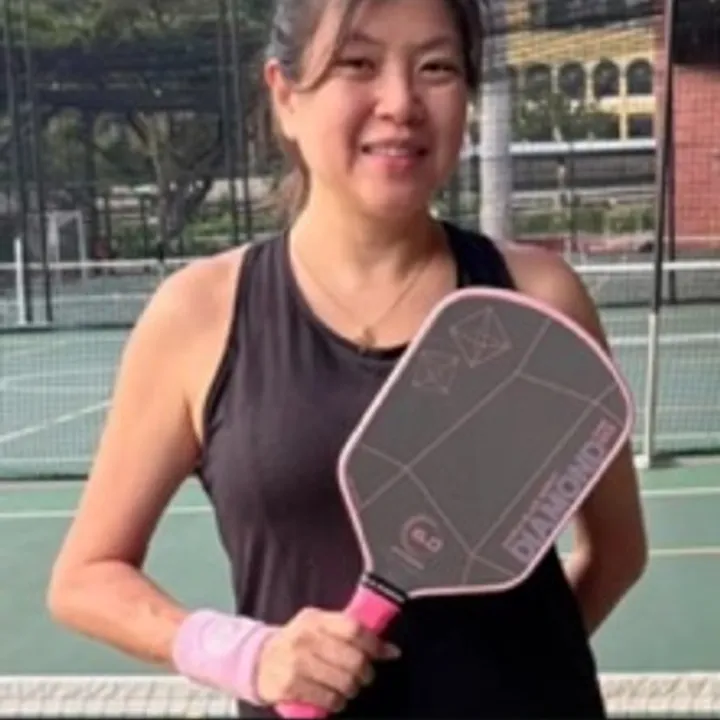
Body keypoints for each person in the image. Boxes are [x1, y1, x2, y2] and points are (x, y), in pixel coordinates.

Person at [46, 0, 648, 717]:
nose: (400, 102)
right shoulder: (197, 316)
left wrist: (511, 675)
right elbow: (86, 576)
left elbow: (618, 551)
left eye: (437, 68)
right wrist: (251, 655)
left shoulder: (539, 299)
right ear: (285, 96)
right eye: (357, 64)